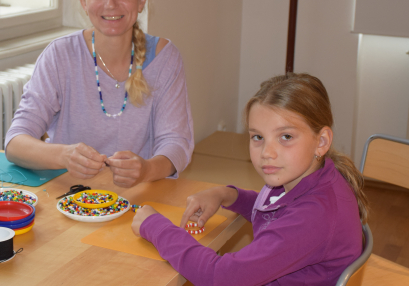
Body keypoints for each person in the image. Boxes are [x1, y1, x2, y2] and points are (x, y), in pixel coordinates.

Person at [132, 73, 368, 285]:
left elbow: (219, 277)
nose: (267, 152)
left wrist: (155, 226)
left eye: (286, 136)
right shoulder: (315, 178)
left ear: (322, 141)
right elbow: (279, 210)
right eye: (257, 137)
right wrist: (228, 195)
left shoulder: (313, 217)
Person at [5, 0, 194, 188]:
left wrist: (147, 169)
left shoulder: (164, 58)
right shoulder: (60, 55)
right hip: (69, 195)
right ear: (84, 1)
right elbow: (15, 143)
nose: (110, 3)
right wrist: (63, 155)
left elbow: (176, 144)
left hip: (137, 195)